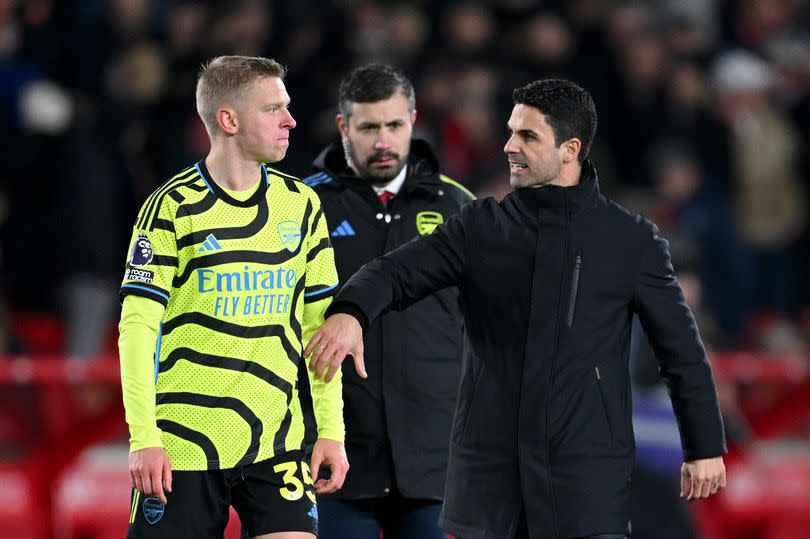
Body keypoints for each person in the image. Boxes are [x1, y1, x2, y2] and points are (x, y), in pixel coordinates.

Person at [305, 79, 727, 539]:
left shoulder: (631, 241)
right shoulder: (480, 228)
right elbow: (392, 273)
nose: (509, 146)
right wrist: (351, 312)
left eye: (527, 136)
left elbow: (681, 351)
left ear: (570, 149)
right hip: (489, 488)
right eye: (510, 132)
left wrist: (703, 446)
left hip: (585, 486)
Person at [118, 55, 349, 539]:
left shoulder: (302, 205)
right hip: (183, 445)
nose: (291, 120)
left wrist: (331, 429)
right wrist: (144, 437)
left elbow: (319, 330)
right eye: (274, 109)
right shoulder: (171, 209)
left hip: (276, 442)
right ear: (228, 120)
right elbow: (137, 329)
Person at [302, 63, 474, 539]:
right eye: (369, 127)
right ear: (343, 127)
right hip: (333, 459)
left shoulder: (457, 208)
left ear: (413, 121)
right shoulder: (302, 207)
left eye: (395, 125)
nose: (383, 141)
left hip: (436, 464)